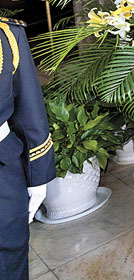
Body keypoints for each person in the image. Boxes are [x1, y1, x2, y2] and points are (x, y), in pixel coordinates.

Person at [0, 17, 55, 280]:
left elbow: (29, 108)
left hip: (3, 172)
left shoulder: (7, 35)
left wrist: (38, 176)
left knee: (9, 259)